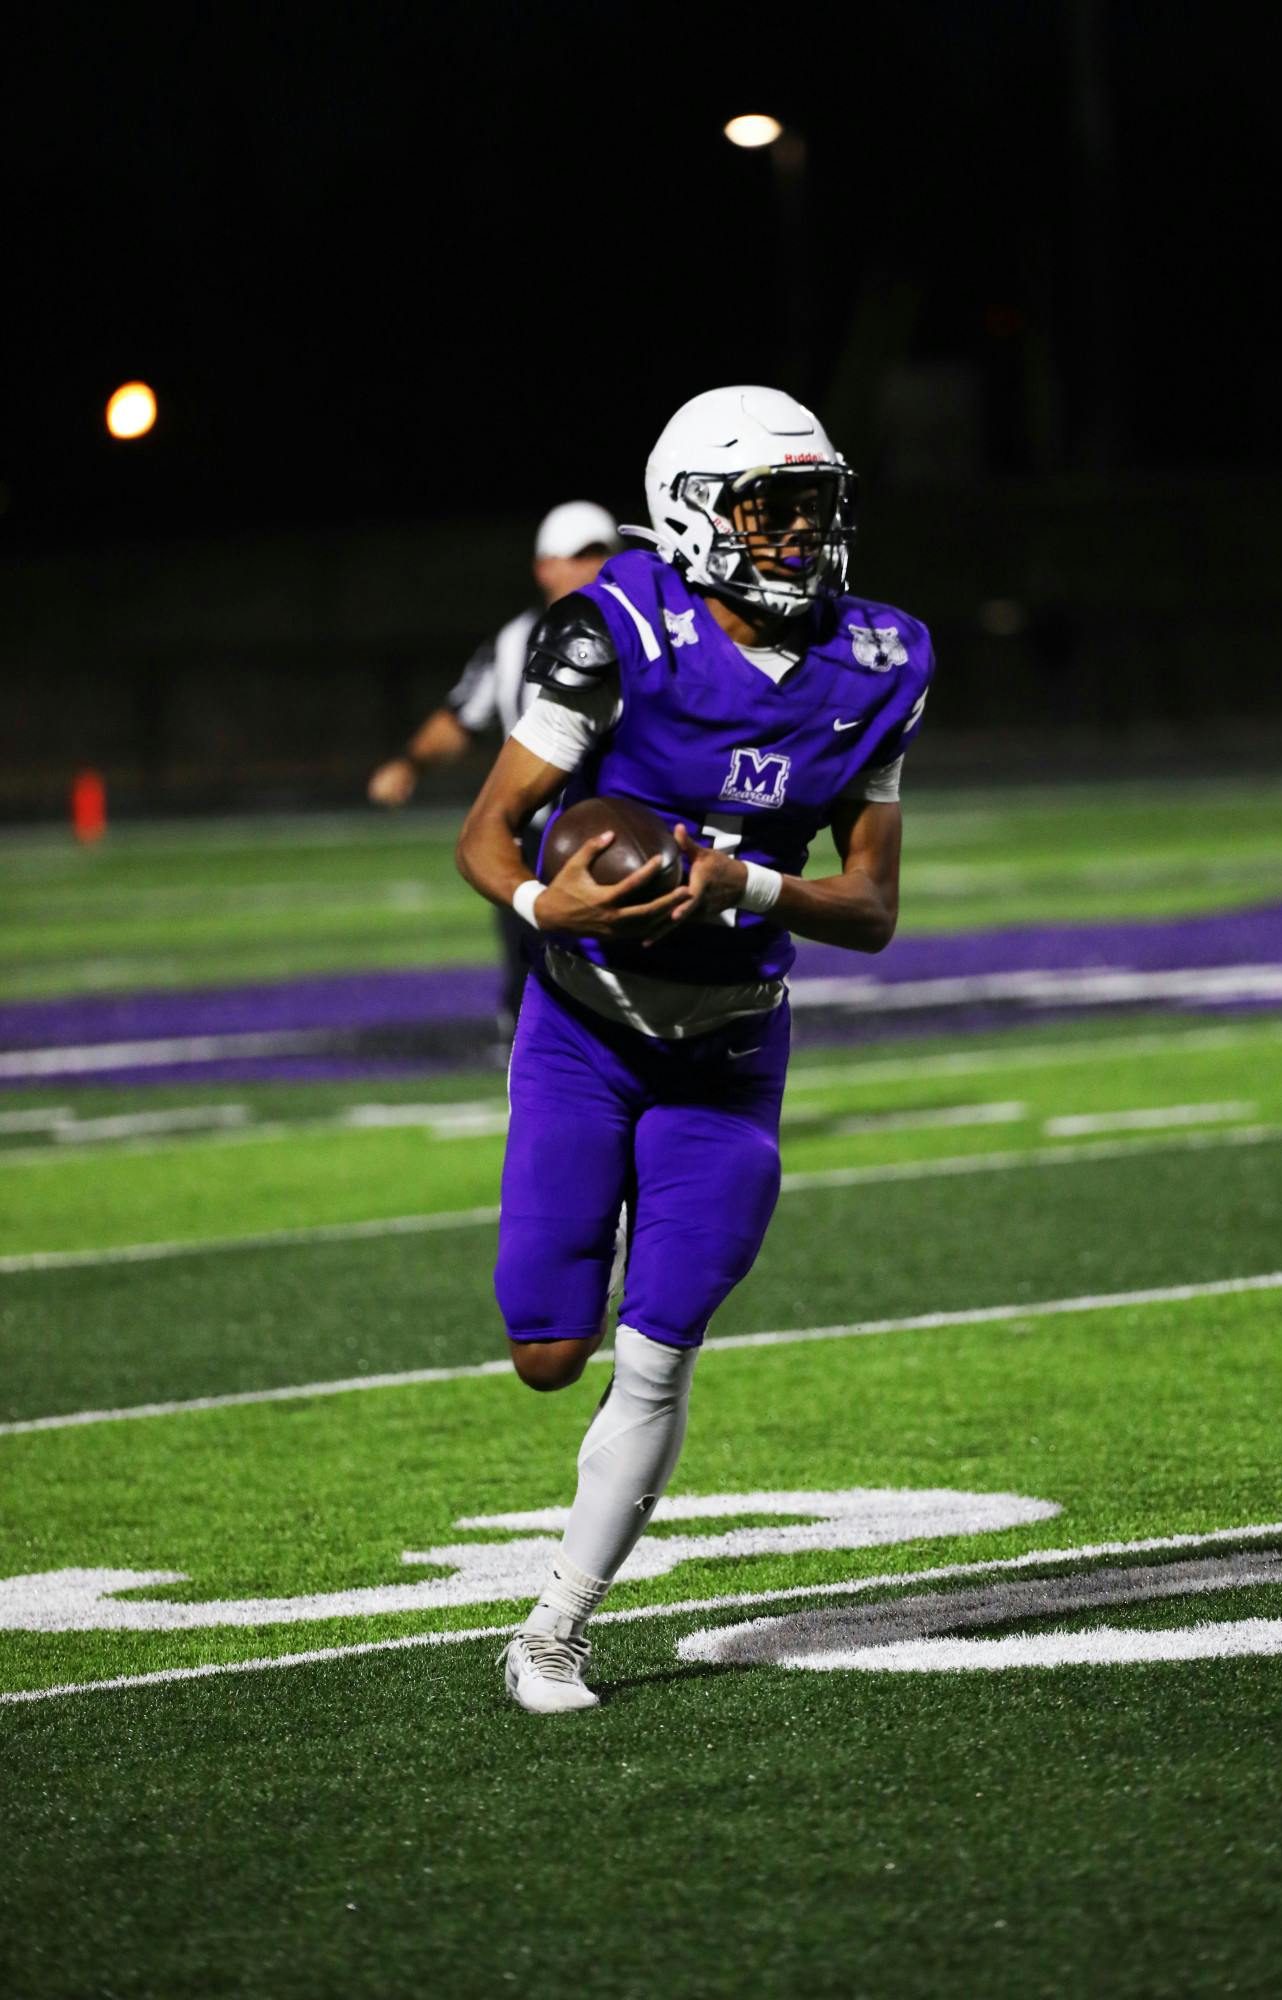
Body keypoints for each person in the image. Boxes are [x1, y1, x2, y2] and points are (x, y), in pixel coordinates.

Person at [455, 386, 933, 1712]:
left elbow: (871, 910)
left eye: (813, 507)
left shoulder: (880, 658)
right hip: (584, 1030)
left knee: (661, 1347)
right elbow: (485, 833)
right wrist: (548, 901)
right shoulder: (614, 628)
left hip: (728, 1053)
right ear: (691, 513)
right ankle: (577, 1247)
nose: (799, 535)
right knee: (548, 1351)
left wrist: (748, 885)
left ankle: (554, 1628)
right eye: (769, 509)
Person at [369, 500, 621, 1026]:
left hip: (626, 827)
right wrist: (410, 763)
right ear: (544, 568)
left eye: (602, 554)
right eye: (579, 555)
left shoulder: (646, 634)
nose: (592, 567)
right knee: (533, 978)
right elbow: (463, 714)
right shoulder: (512, 643)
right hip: (538, 832)